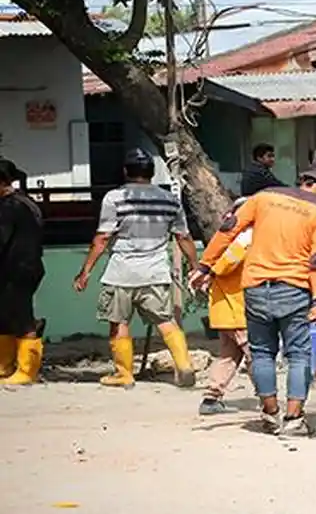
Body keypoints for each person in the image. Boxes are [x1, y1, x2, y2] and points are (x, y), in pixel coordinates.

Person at [190, 156, 316, 438]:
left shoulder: (265, 197)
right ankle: (294, 419)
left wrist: (205, 265)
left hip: (255, 289)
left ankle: (270, 414)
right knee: (298, 355)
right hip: (294, 290)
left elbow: (228, 229)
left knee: (262, 354)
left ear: (305, 179)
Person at [75, 148, 197, 389]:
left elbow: (102, 238)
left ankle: (124, 374)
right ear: (152, 172)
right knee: (165, 320)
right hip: (155, 271)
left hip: (121, 271)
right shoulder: (169, 200)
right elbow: (184, 236)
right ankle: (184, 366)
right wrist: (194, 266)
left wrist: (86, 271)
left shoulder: (115, 198)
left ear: (125, 171)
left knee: (118, 322)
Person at [197, 197, 254, 415]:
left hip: (225, 309)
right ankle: (269, 397)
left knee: (229, 356)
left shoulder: (226, 239)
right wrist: (210, 272)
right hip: (237, 310)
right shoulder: (244, 238)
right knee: (255, 355)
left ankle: (211, 398)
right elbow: (229, 261)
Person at [0, 159, 45, 386]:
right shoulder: (27, 202)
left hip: (17, 269)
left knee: (22, 318)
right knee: (6, 316)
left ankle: (27, 369)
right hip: (28, 266)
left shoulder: (9, 207)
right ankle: (5, 365)